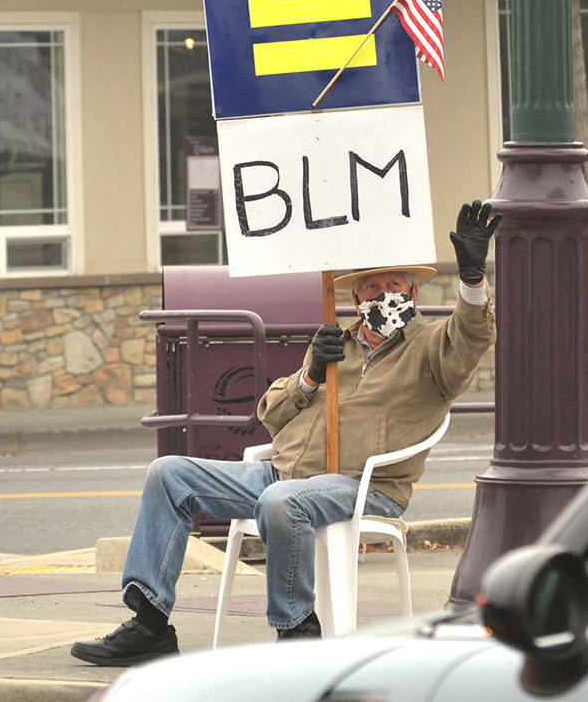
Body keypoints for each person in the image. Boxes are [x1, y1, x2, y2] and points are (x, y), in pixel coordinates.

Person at [70, 201, 500, 666]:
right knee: (169, 473)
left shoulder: (430, 348)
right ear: (357, 301)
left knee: (283, 502)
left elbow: (471, 337)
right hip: (282, 473)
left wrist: (473, 280)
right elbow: (270, 414)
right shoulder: (339, 342)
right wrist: (311, 374)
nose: (382, 295)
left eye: (393, 284)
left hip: (362, 487)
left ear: (412, 293)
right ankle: (150, 622)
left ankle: (297, 631)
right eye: (370, 287)